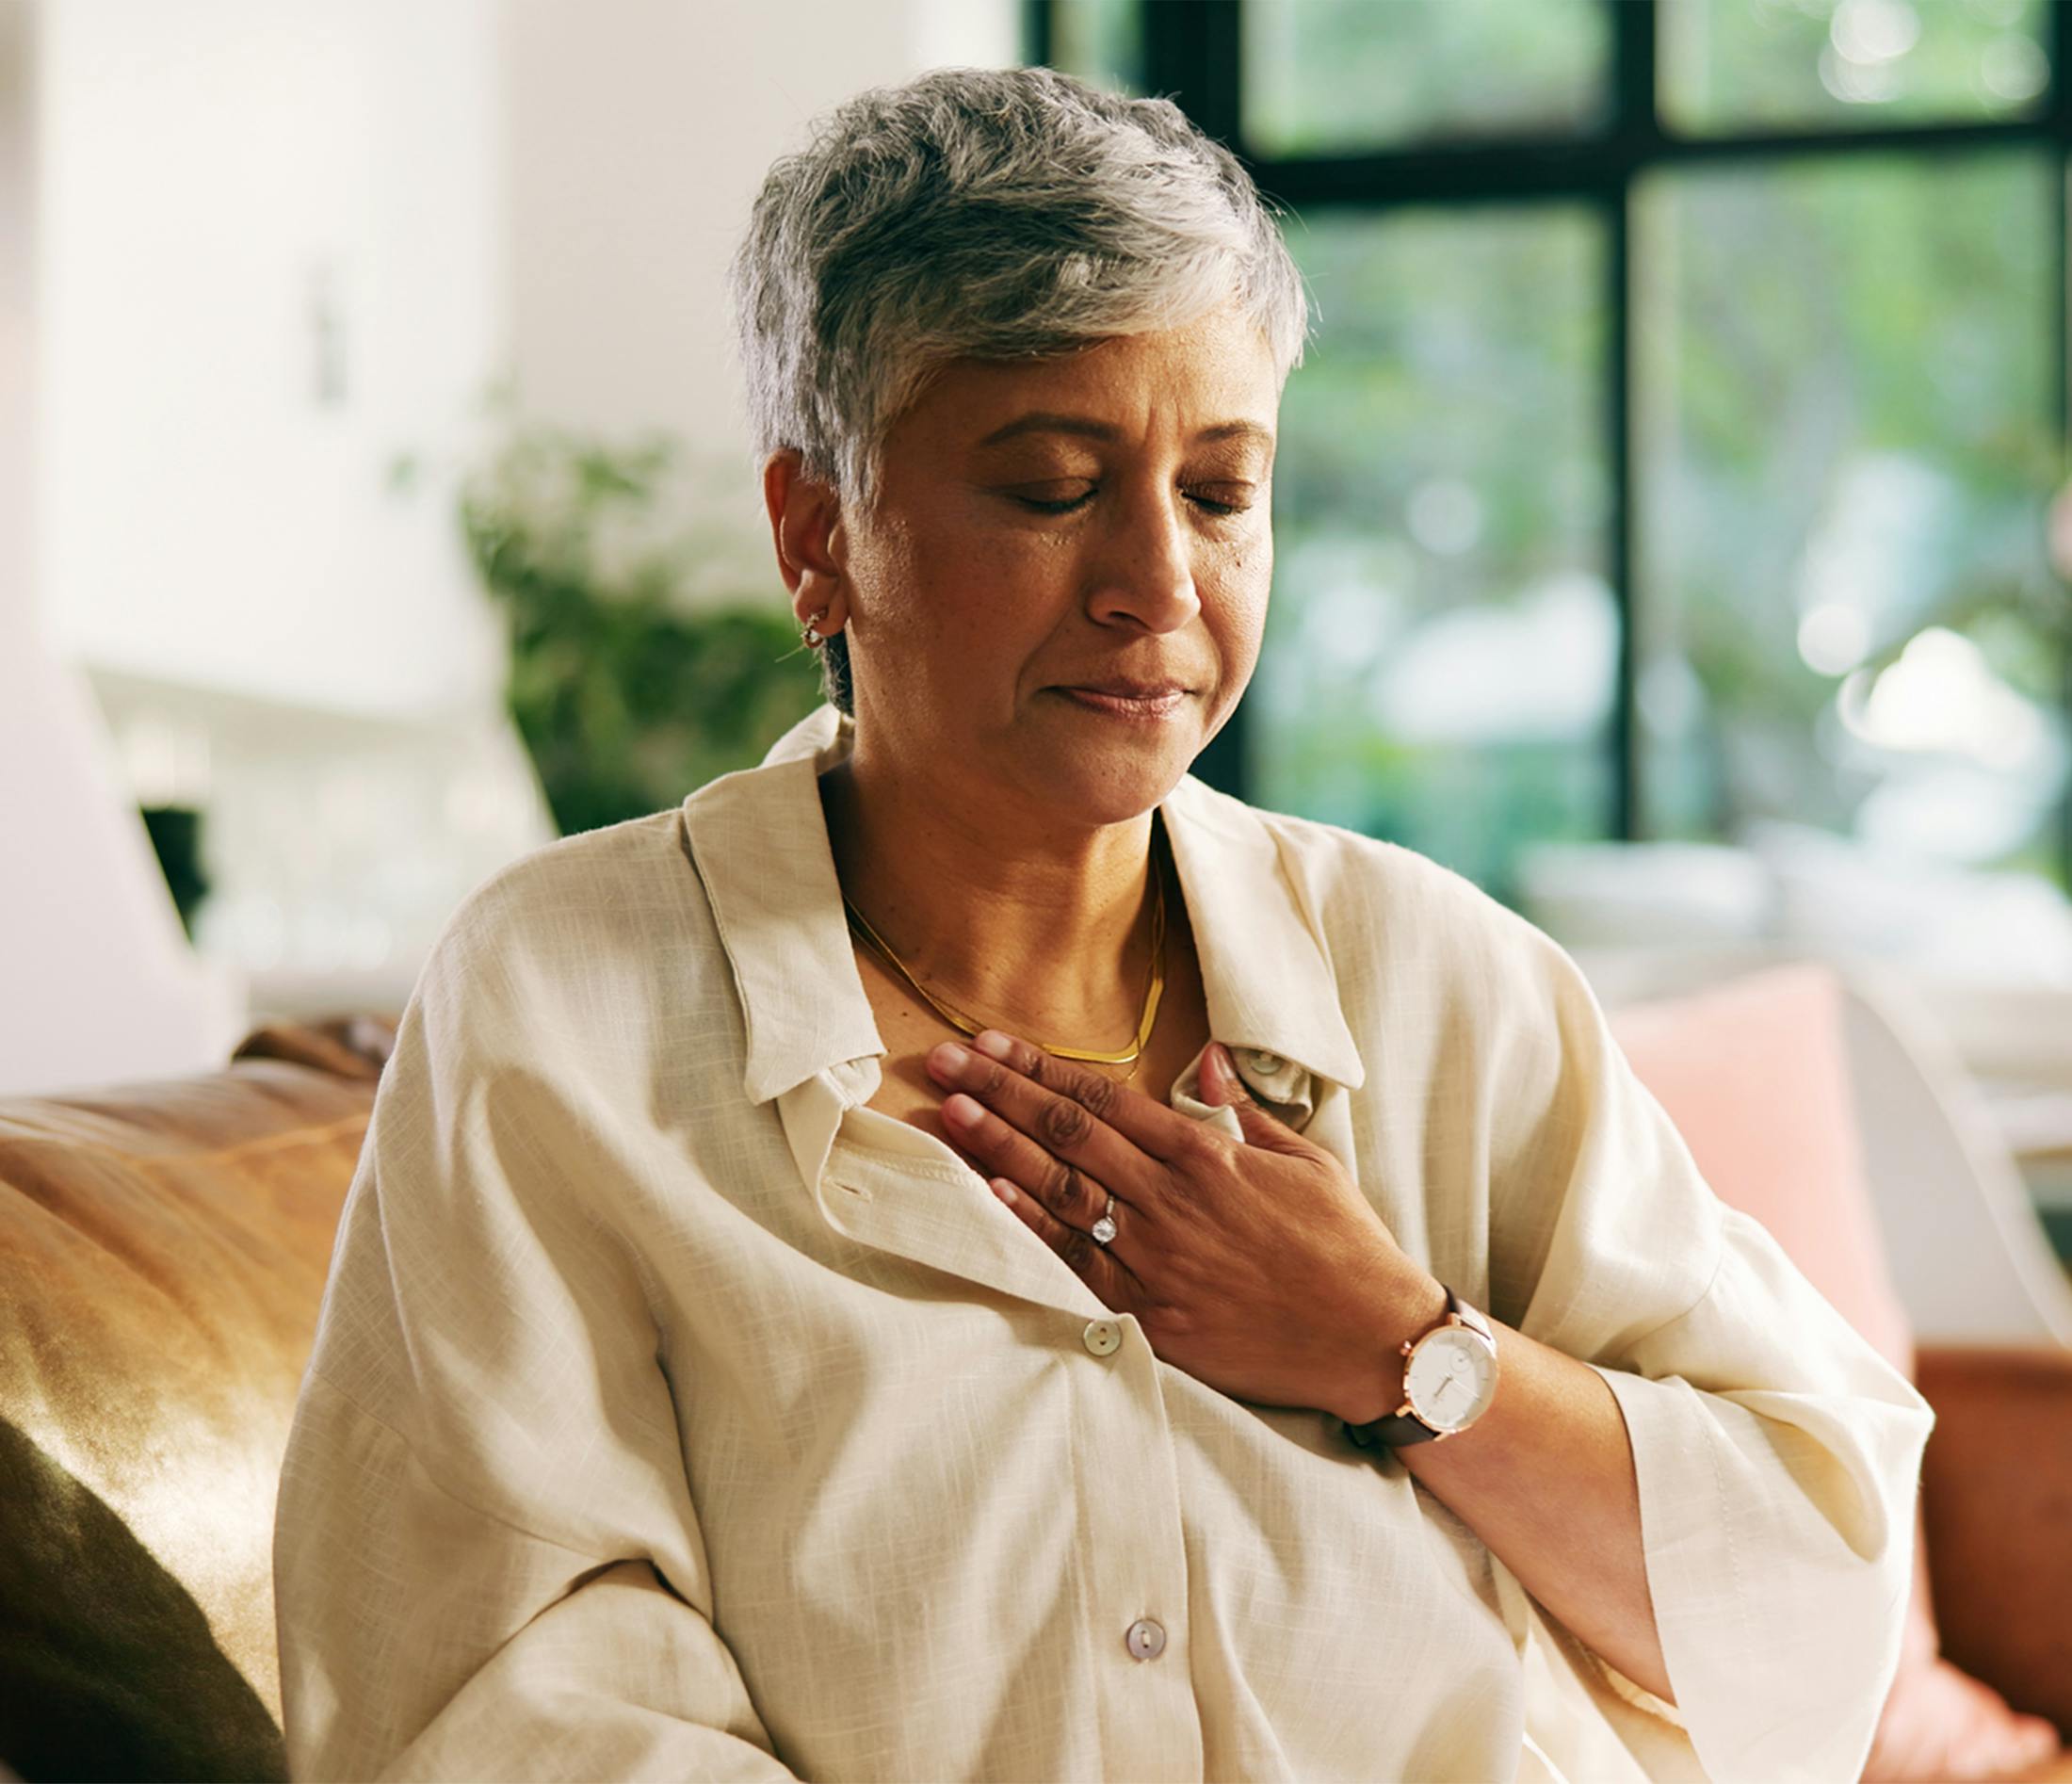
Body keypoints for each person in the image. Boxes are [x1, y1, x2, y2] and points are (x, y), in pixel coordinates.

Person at [273, 65, 1933, 1783]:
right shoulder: (567, 1005)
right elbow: (511, 1693)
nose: (1160, 584)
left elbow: (1806, 1592)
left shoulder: (1448, 982)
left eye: (1221, 492)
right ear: (818, 532)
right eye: (1056, 487)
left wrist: (1402, 1345)